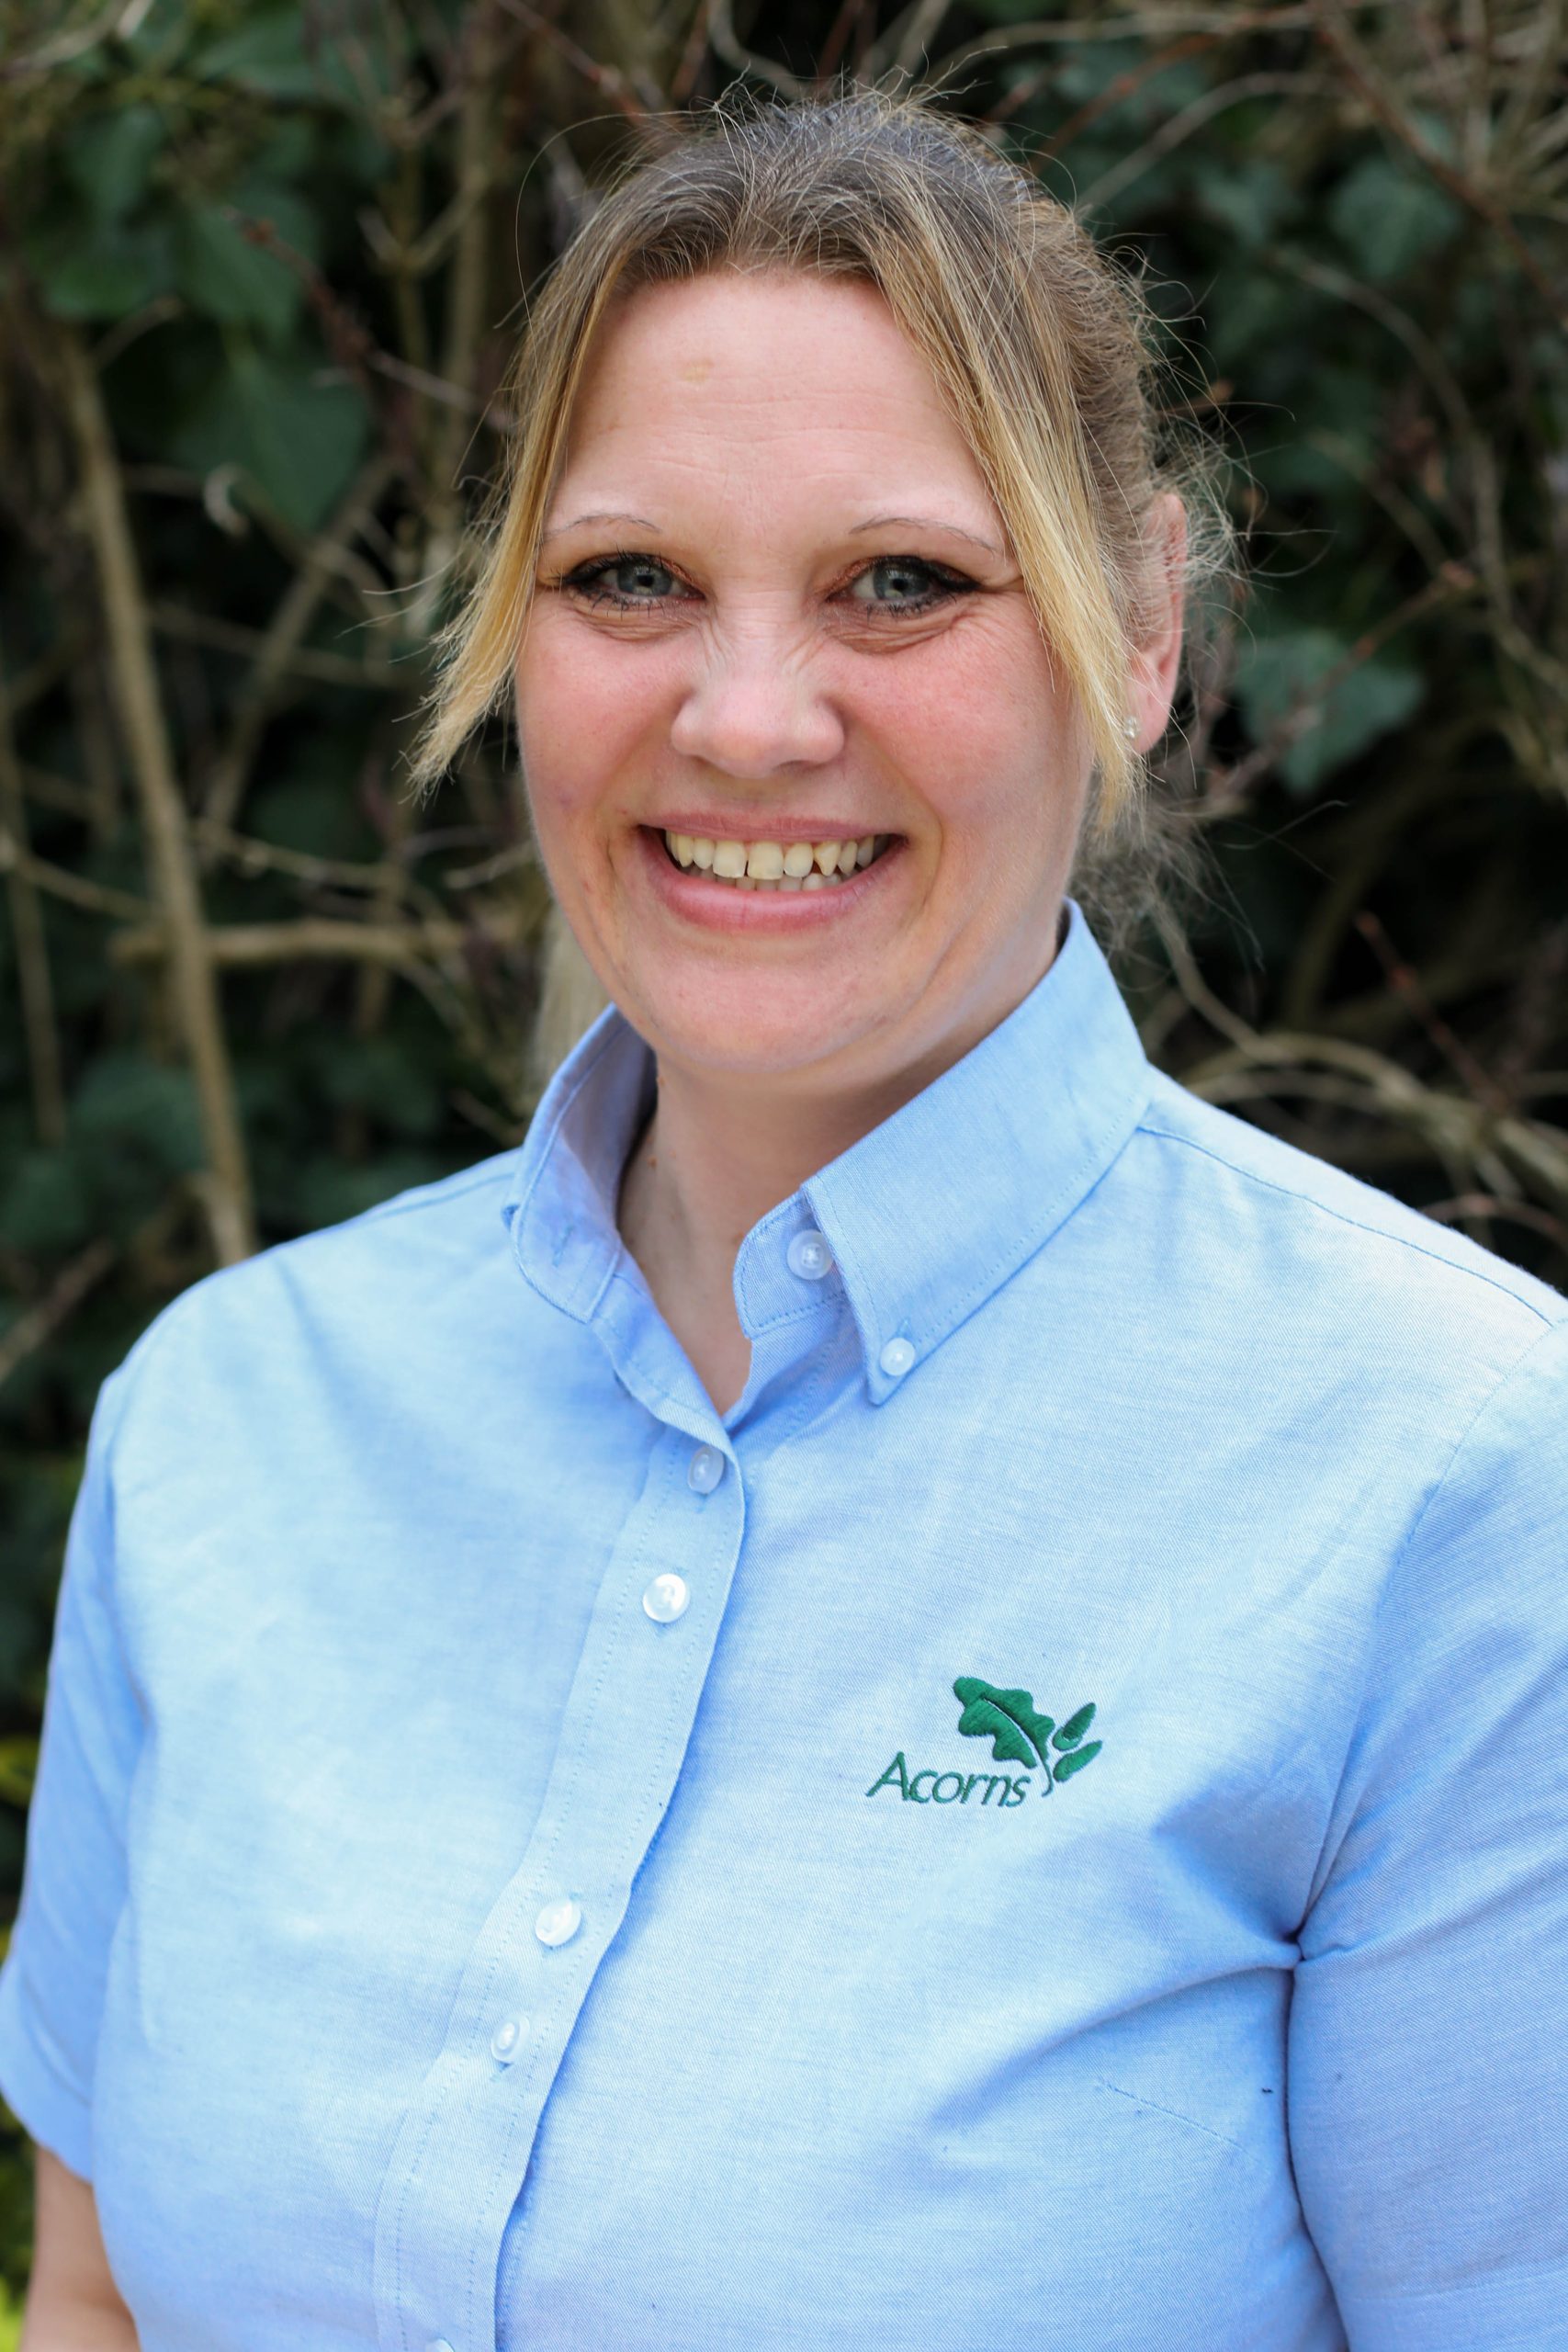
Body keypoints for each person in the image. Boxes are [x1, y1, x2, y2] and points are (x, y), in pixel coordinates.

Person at [3, 85, 1566, 2352]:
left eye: (901, 582)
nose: (746, 718)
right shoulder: (229, 1418)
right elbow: (101, 2298)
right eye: (628, 577)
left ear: (1135, 626)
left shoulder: (1465, 1480)